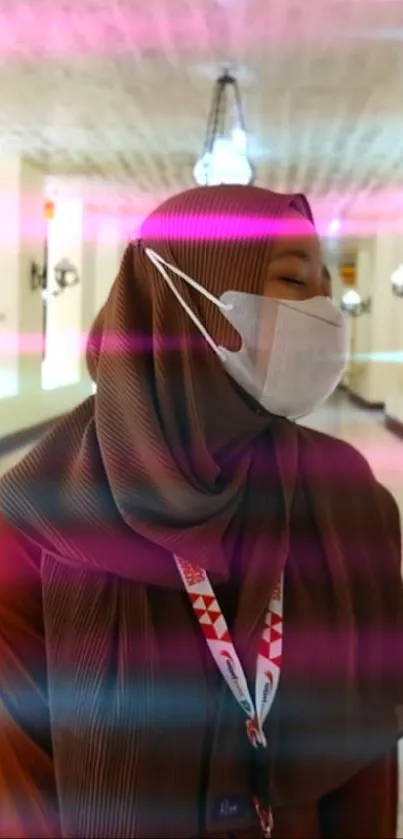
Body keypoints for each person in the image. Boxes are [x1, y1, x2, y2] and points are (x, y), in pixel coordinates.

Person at [0, 184, 401, 839]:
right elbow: (19, 791)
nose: (322, 309)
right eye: (292, 281)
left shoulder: (344, 495)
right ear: (185, 302)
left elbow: (366, 754)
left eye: (325, 284)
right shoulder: (37, 524)